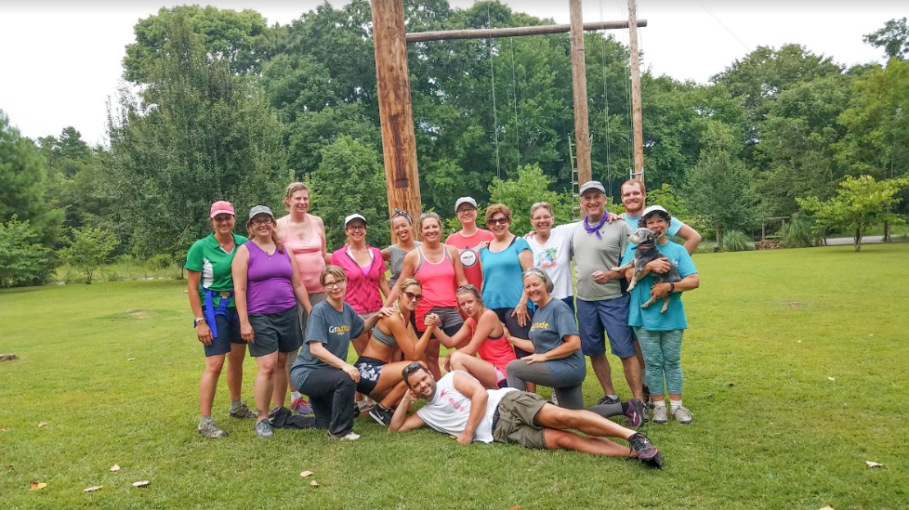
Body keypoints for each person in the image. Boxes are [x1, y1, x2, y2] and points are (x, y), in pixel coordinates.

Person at [389, 364, 663, 468]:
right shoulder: (426, 413)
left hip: (507, 403)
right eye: (417, 385)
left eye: (424, 379)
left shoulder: (452, 379)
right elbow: (396, 429)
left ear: (430, 374)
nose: (424, 386)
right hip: (501, 433)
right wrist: (404, 399)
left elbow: (481, 395)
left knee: (563, 418)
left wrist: (468, 433)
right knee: (565, 441)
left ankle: (634, 436)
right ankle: (637, 454)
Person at [232, 205, 312, 438]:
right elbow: (239, 288)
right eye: (257, 221)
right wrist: (244, 322)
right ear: (250, 226)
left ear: (273, 223)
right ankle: (262, 418)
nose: (263, 224)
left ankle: (279, 411)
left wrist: (310, 310)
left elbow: (297, 283)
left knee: (282, 363)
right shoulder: (245, 251)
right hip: (260, 316)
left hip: (287, 313)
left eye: (267, 220)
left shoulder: (284, 250)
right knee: (266, 366)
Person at [620, 206, 699, 424]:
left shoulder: (678, 251)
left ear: (667, 224)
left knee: (672, 361)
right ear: (645, 227)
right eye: (651, 222)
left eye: (660, 221)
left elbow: (693, 280)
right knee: (653, 363)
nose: (656, 225)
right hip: (643, 317)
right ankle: (659, 407)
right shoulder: (635, 247)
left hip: (671, 316)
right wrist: (650, 266)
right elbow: (628, 275)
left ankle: (677, 406)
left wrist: (670, 287)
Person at [289, 266, 388, 441]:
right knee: (347, 377)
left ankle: (281, 418)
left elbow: (360, 328)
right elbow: (315, 348)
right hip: (307, 373)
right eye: (329, 284)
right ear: (324, 287)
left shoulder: (346, 309)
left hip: (326, 374)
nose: (335, 287)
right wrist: (344, 365)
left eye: (338, 282)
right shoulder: (319, 311)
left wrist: (377, 316)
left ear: (345, 282)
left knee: (324, 421)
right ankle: (340, 433)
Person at [186, 201, 258, 438]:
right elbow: (193, 288)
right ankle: (205, 422)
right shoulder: (201, 247)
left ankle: (236, 405)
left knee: (236, 359)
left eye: (227, 217)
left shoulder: (244, 244)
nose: (224, 222)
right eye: (219, 219)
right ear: (212, 221)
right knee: (215, 364)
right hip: (214, 311)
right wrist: (200, 321)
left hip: (239, 308)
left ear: (235, 219)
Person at [572, 181, 643, 405]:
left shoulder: (620, 226)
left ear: (605, 200)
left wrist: (612, 275)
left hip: (613, 299)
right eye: (587, 198)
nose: (592, 201)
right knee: (594, 350)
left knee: (625, 351)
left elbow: (635, 261)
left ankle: (638, 401)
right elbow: (547, 237)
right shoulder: (574, 229)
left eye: (596, 197)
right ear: (581, 202)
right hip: (584, 301)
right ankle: (611, 396)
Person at [388, 212, 467, 380]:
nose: (431, 230)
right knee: (431, 356)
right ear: (421, 232)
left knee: (465, 350)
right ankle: (439, 393)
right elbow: (400, 285)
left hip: (452, 309)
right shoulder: (413, 256)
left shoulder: (451, 251)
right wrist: (386, 308)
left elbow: (462, 281)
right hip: (426, 312)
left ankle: (467, 387)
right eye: (427, 228)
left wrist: (475, 304)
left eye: (434, 226)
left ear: (440, 229)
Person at [276, 182, 330, 415]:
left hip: (320, 290)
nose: (302, 202)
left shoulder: (317, 222)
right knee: (292, 344)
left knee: (319, 340)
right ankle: (296, 395)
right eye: (297, 198)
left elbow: (324, 255)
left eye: (305, 198)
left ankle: (318, 388)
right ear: (288, 200)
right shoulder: (279, 226)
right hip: (290, 292)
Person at [354, 278, 436, 426]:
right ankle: (380, 409)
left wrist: (398, 381)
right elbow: (414, 355)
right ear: (399, 293)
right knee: (418, 366)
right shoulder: (394, 317)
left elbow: (397, 351)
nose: (414, 300)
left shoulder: (405, 314)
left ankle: (378, 405)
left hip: (375, 372)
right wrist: (430, 328)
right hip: (368, 371)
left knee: (407, 407)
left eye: (418, 297)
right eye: (410, 295)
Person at [502, 269, 587, 409]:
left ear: (546, 284)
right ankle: (624, 407)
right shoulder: (540, 311)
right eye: (527, 287)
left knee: (513, 368)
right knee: (574, 416)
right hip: (559, 366)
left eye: (536, 284)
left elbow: (574, 343)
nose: (532, 289)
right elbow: (538, 345)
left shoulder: (558, 308)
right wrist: (510, 339)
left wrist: (544, 356)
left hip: (569, 367)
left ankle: (517, 414)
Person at [430, 284, 516, 389]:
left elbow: (471, 349)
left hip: (504, 372)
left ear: (478, 300)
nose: (467, 307)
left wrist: (452, 354)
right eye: (462, 304)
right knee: (457, 358)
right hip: (491, 370)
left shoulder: (488, 316)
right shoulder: (471, 321)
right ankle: (475, 394)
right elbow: (450, 342)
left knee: (457, 358)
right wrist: (433, 326)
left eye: (470, 302)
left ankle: (474, 395)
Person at [331, 214, 391, 354]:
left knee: (381, 352)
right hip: (354, 312)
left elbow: (382, 281)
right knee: (364, 354)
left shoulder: (376, 253)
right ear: (347, 231)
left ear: (366, 230)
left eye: (360, 227)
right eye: (353, 227)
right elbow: (335, 285)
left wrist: (391, 303)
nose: (356, 230)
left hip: (377, 310)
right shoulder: (338, 256)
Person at [479, 204, 534, 357]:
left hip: (516, 307)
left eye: (502, 220)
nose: (497, 224)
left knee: (523, 352)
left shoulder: (520, 244)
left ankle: (528, 381)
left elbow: (530, 276)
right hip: (491, 307)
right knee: (497, 352)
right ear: (488, 225)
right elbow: (484, 280)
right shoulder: (483, 250)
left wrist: (523, 302)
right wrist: (482, 308)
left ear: (509, 221)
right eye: (492, 221)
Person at [619, 179, 701, 255]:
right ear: (622, 198)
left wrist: (677, 262)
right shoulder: (617, 221)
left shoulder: (659, 219)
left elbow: (694, 237)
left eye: (636, 193)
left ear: (644, 195)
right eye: (627, 195)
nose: (632, 197)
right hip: (627, 269)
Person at [525, 202, 577, 312]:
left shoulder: (563, 233)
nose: (542, 220)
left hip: (564, 298)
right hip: (538, 302)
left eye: (546, 217)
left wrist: (609, 215)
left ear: (552, 219)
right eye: (537, 218)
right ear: (532, 222)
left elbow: (590, 221)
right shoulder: (526, 242)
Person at [445, 197, 494, 289]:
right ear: (457, 214)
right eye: (462, 210)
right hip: (462, 298)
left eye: (470, 209)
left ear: (476, 212)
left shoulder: (490, 236)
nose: (466, 213)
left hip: (487, 294)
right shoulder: (450, 240)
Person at [382, 209, 422, 289]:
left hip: (421, 295)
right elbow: (371, 260)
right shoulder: (390, 251)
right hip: (398, 297)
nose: (401, 230)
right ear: (393, 231)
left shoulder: (423, 248)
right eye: (397, 227)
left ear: (411, 226)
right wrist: (384, 283)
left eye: (404, 225)